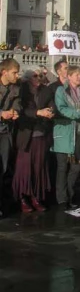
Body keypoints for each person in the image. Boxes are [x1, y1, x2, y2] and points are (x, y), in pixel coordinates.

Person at [53, 65, 80, 207]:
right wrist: (79, 113)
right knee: (62, 168)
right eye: (76, 75)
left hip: (79, 133)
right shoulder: (61, 90)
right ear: (69, 76)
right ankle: (61, 199)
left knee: (76, 167)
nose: (79, 77)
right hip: (64, 133)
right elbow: (61, 108)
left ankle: (70, 196)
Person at [13, 69, 55, 212]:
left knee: (39, 168)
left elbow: (51, 104)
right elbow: (20, 111)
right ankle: (23, 198)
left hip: (41, 134)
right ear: (28, 78)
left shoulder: (45, 90)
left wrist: (51, 111)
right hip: (27, 134)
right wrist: (38, 112)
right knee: (24, 169)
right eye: (35, 76)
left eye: (40, 75)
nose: (39, 78)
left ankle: (36, 197)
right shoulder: (22, 90)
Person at [0, 58, 21, 216]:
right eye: (14, 72)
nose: (16, 75)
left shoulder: (15, 88)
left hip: (5, 132)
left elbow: (17, 103)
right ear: (4, 72)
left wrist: (15, 111)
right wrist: (2, 114)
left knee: (5, 168)